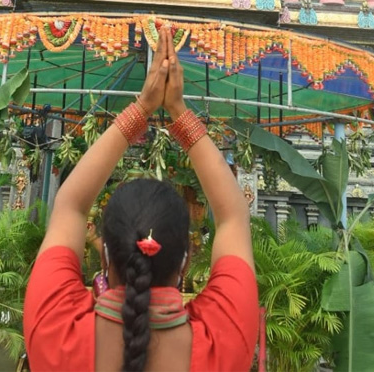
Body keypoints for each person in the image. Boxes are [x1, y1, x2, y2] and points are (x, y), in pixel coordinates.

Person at [24, 27, 258, 372]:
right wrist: (176, 109)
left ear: (104, 253)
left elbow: (69, 205)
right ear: (186, 259)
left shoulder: (56, 330)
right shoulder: (222, 338)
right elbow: (235, 216)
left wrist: (143, 106)